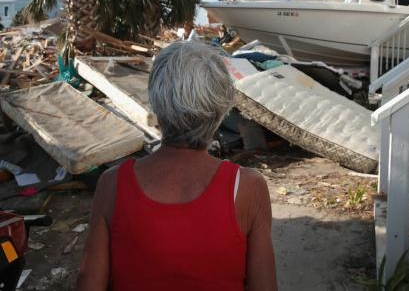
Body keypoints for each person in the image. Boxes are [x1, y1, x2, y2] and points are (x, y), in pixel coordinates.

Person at [76, 41, 277, 291]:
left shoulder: (112, 184)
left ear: (156, 103)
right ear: (221, 108)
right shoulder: (248, 187)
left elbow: (89, 284)